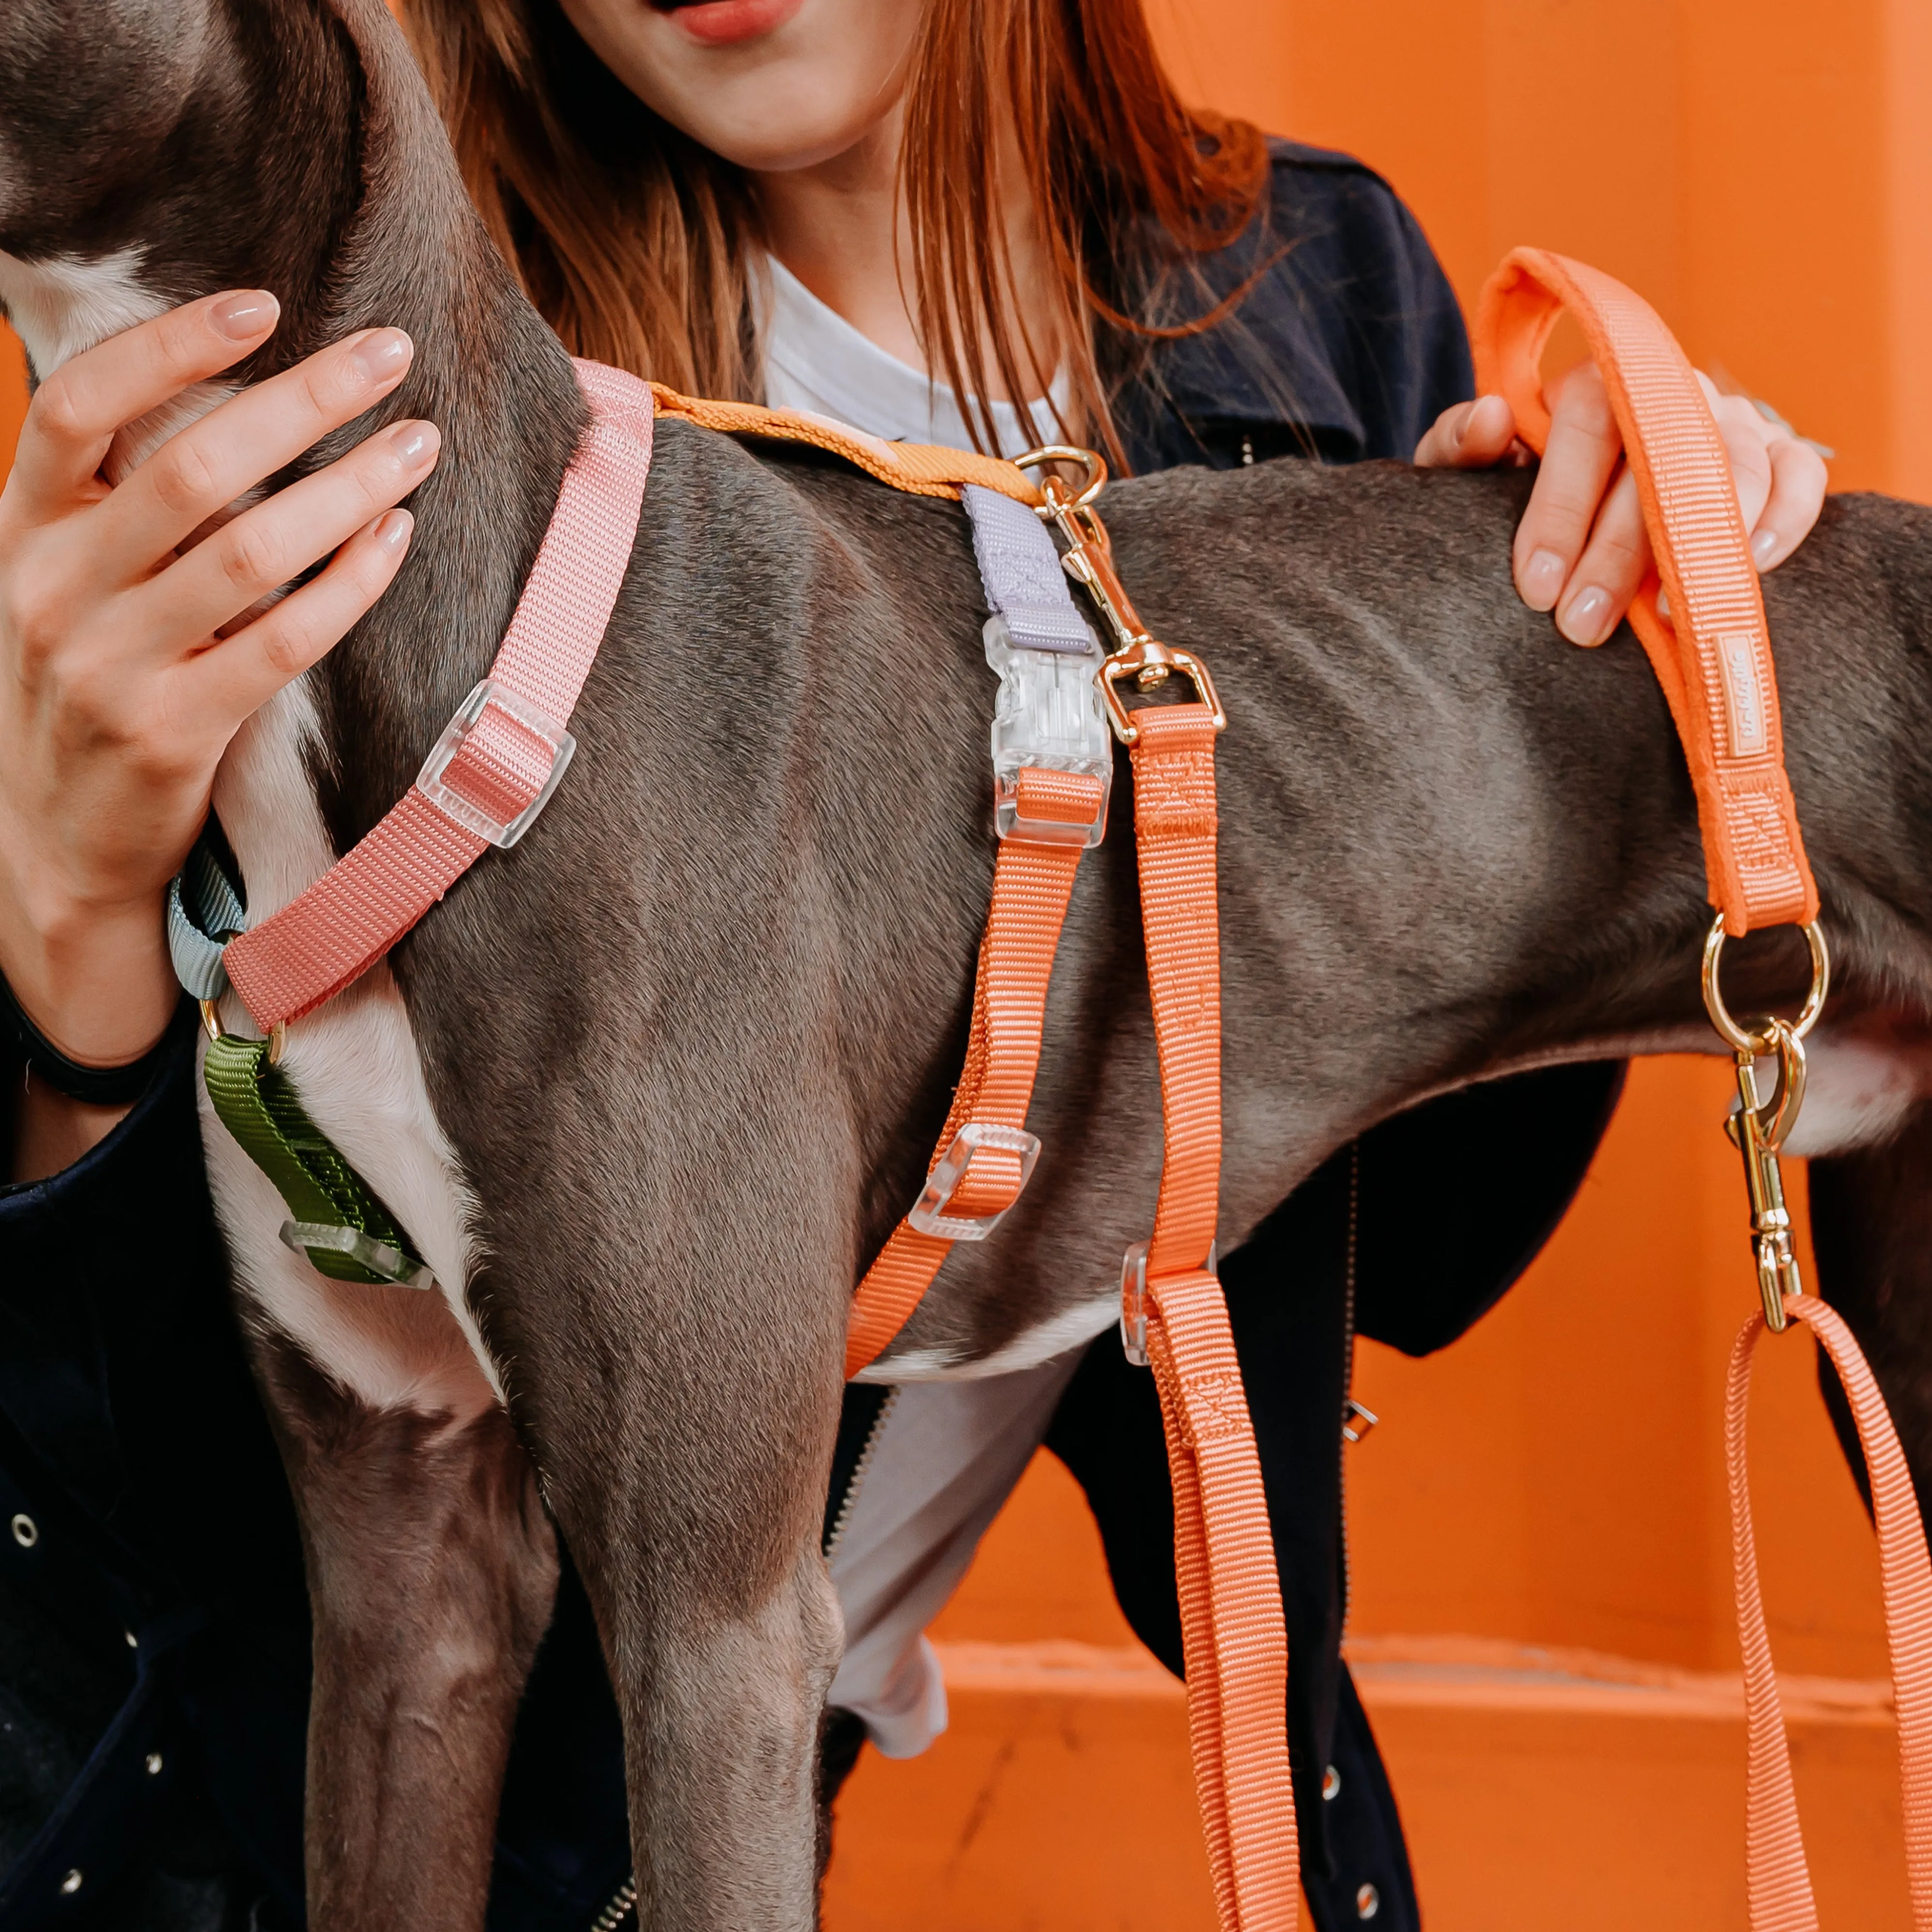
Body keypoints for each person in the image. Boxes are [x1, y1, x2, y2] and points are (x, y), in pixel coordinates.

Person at [0, 0, 1827, 1925]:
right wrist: (63, 937)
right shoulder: (373, 389)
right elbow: (181, 1537)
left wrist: (1580, 697)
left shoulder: (1301, 286)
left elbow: (1427, 1255)